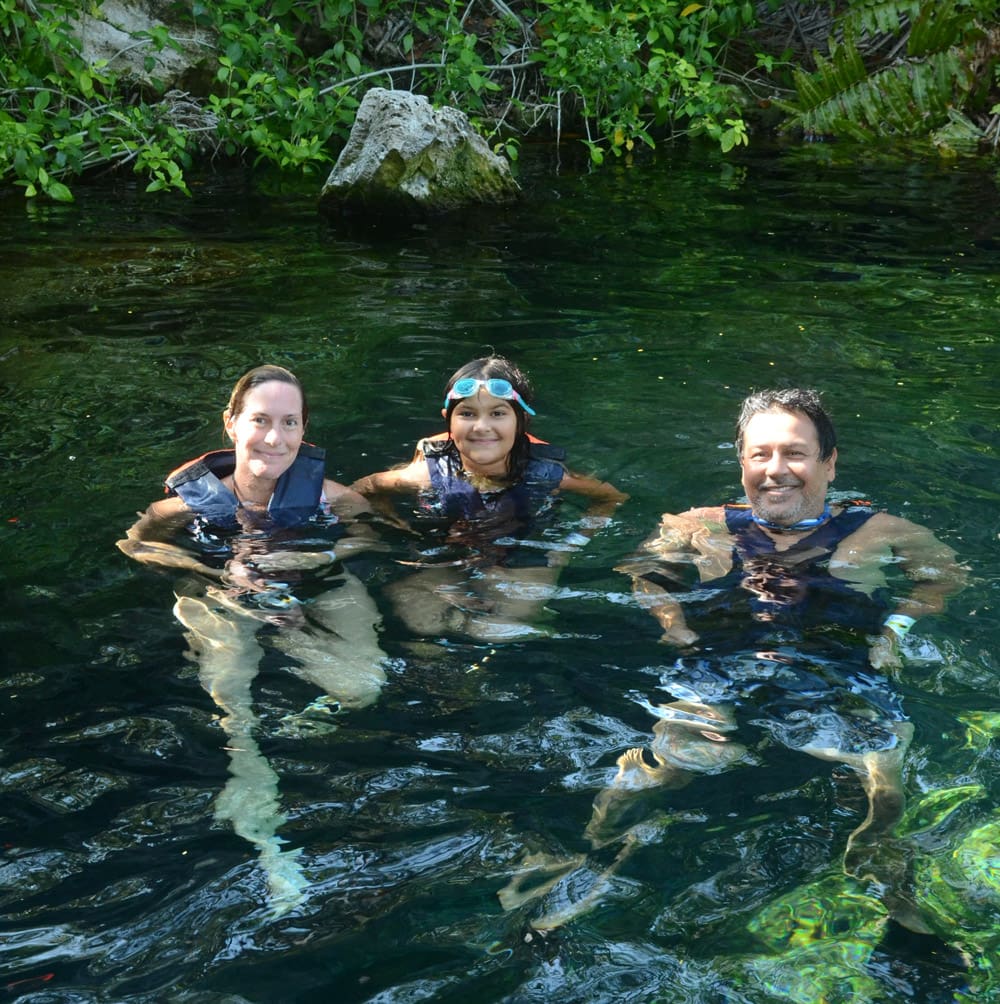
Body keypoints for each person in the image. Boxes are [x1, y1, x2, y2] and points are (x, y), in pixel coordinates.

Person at [500, 387, 965, 930]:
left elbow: (943, 579)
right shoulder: (698, 525)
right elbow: (641, 575)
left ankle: (887, 881)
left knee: (882, 771)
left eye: (795, 453)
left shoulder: (883, 531)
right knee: (663, 759)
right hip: (719, 661)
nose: (776, 469)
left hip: (837, 667)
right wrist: (672, 625)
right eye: (759, 454)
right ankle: (589, 852)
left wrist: (893, 630)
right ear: (741, 461)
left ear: (829, 463)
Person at [117, 364, 387, 915]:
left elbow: (370, 537)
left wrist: (320, 555)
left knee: (363, 686)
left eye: (290, 423)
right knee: (231, 681)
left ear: (304, 429)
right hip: (221, 591)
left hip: (315, 583)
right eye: (260, 420)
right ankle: (248, 763)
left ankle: (293, 693)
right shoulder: (185, 506)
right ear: (232, 425)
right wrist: (221, 576)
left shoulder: (334, 499)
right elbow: (137, 547)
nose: (274, 437)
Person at [351, 356, 627, 643]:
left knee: (497, 631)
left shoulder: (551, 474)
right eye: (468, 414)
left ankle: (488, 628)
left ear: (521, 421)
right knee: (421, 621)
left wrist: (568, 547)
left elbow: (611, 498)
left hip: (523, 558)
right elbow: (363, 490)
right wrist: (393, 528)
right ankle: (456, 627)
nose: (481, 426)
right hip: (450, 556)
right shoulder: (424, 474)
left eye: (497, 414)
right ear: (449, 421)